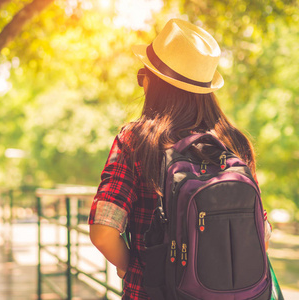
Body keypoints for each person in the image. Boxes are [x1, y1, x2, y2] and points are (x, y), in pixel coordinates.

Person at [89, 18, 271, 299]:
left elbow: (103, 232)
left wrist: (131, 267)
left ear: (155, 83)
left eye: (143, 75)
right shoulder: (234, 142)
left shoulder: (136, 140)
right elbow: (263, 232)